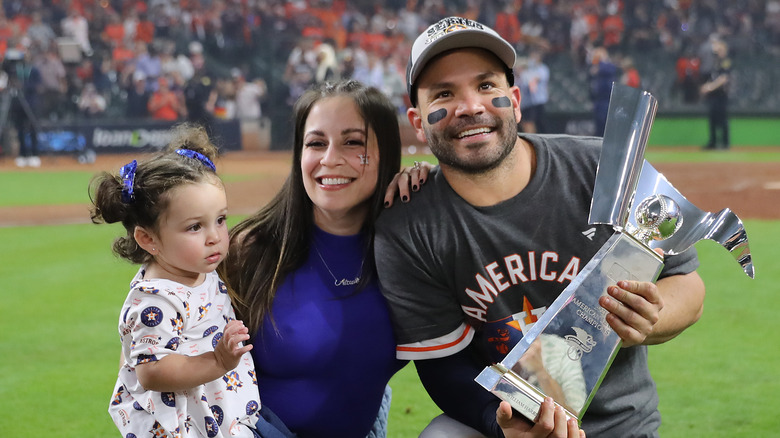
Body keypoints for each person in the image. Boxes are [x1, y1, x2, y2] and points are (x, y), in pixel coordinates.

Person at [374, 16, 706, 438]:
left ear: (514, 99)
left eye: (486, 86)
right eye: (443, 93)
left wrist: (651, 318)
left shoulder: (605, 168)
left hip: (621, 427)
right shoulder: (408, 224)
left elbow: (688, 286)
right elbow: (444, 366)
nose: (470, 106)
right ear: (418, 122)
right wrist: (501, 426)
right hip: (507, 424)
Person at [222, 80, 428, 438]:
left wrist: (432, 189)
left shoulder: (411, 247)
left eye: (353, 142)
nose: (330, 159)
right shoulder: (250, 252)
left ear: (387, 152)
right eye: (316, 143)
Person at [90, 125, 293, 438]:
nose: (215, 237)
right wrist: (218, 360)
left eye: (221, 220)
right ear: (148, 239)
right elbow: (152, 372)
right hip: (190, 428)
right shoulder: (155, 300)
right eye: (195, 227)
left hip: (229, 417)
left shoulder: (197, 269)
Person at [700, 38, 731, 150]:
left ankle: (725, 143)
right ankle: (713, 142)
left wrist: (710, 87)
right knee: (712, 119)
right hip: (714, 95)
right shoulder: (716, 62)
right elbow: (714, 77)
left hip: (721, 94)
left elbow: (723, 78)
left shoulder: (725, 61)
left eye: (719, 47)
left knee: (722, 119)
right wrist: (706, 86)